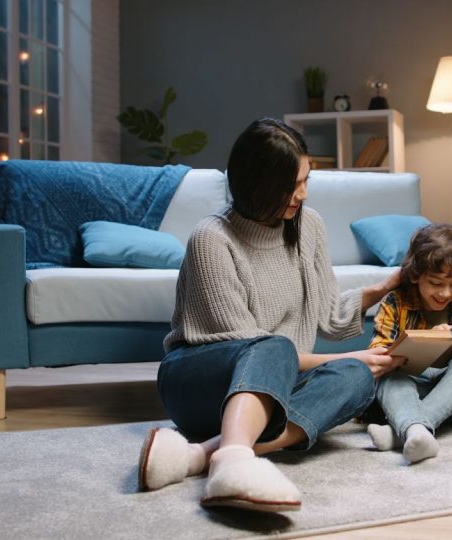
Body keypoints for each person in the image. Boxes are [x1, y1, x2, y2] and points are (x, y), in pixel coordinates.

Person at [137, 118, 400, 512]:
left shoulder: (307, 225)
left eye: (306, 180)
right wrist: (345, 355)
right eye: (292, 185)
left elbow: (328, 316)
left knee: (359, 379)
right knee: (278, 348)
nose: (303, 194)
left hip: (273, 384)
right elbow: (252, 350)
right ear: (258, 184)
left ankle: (210, 455)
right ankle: (233, 460)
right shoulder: (212, 238)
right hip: (199, 382)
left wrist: (384, 288)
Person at [365, 224, 452, 464]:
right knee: (390, 378)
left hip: (451, 395)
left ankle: (405, 431)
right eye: (436, 283)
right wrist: (425, 339)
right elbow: (377, 359)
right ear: (416, 275)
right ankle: (415, 431)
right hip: (408, 391)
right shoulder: (395, 303)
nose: (446, 293)